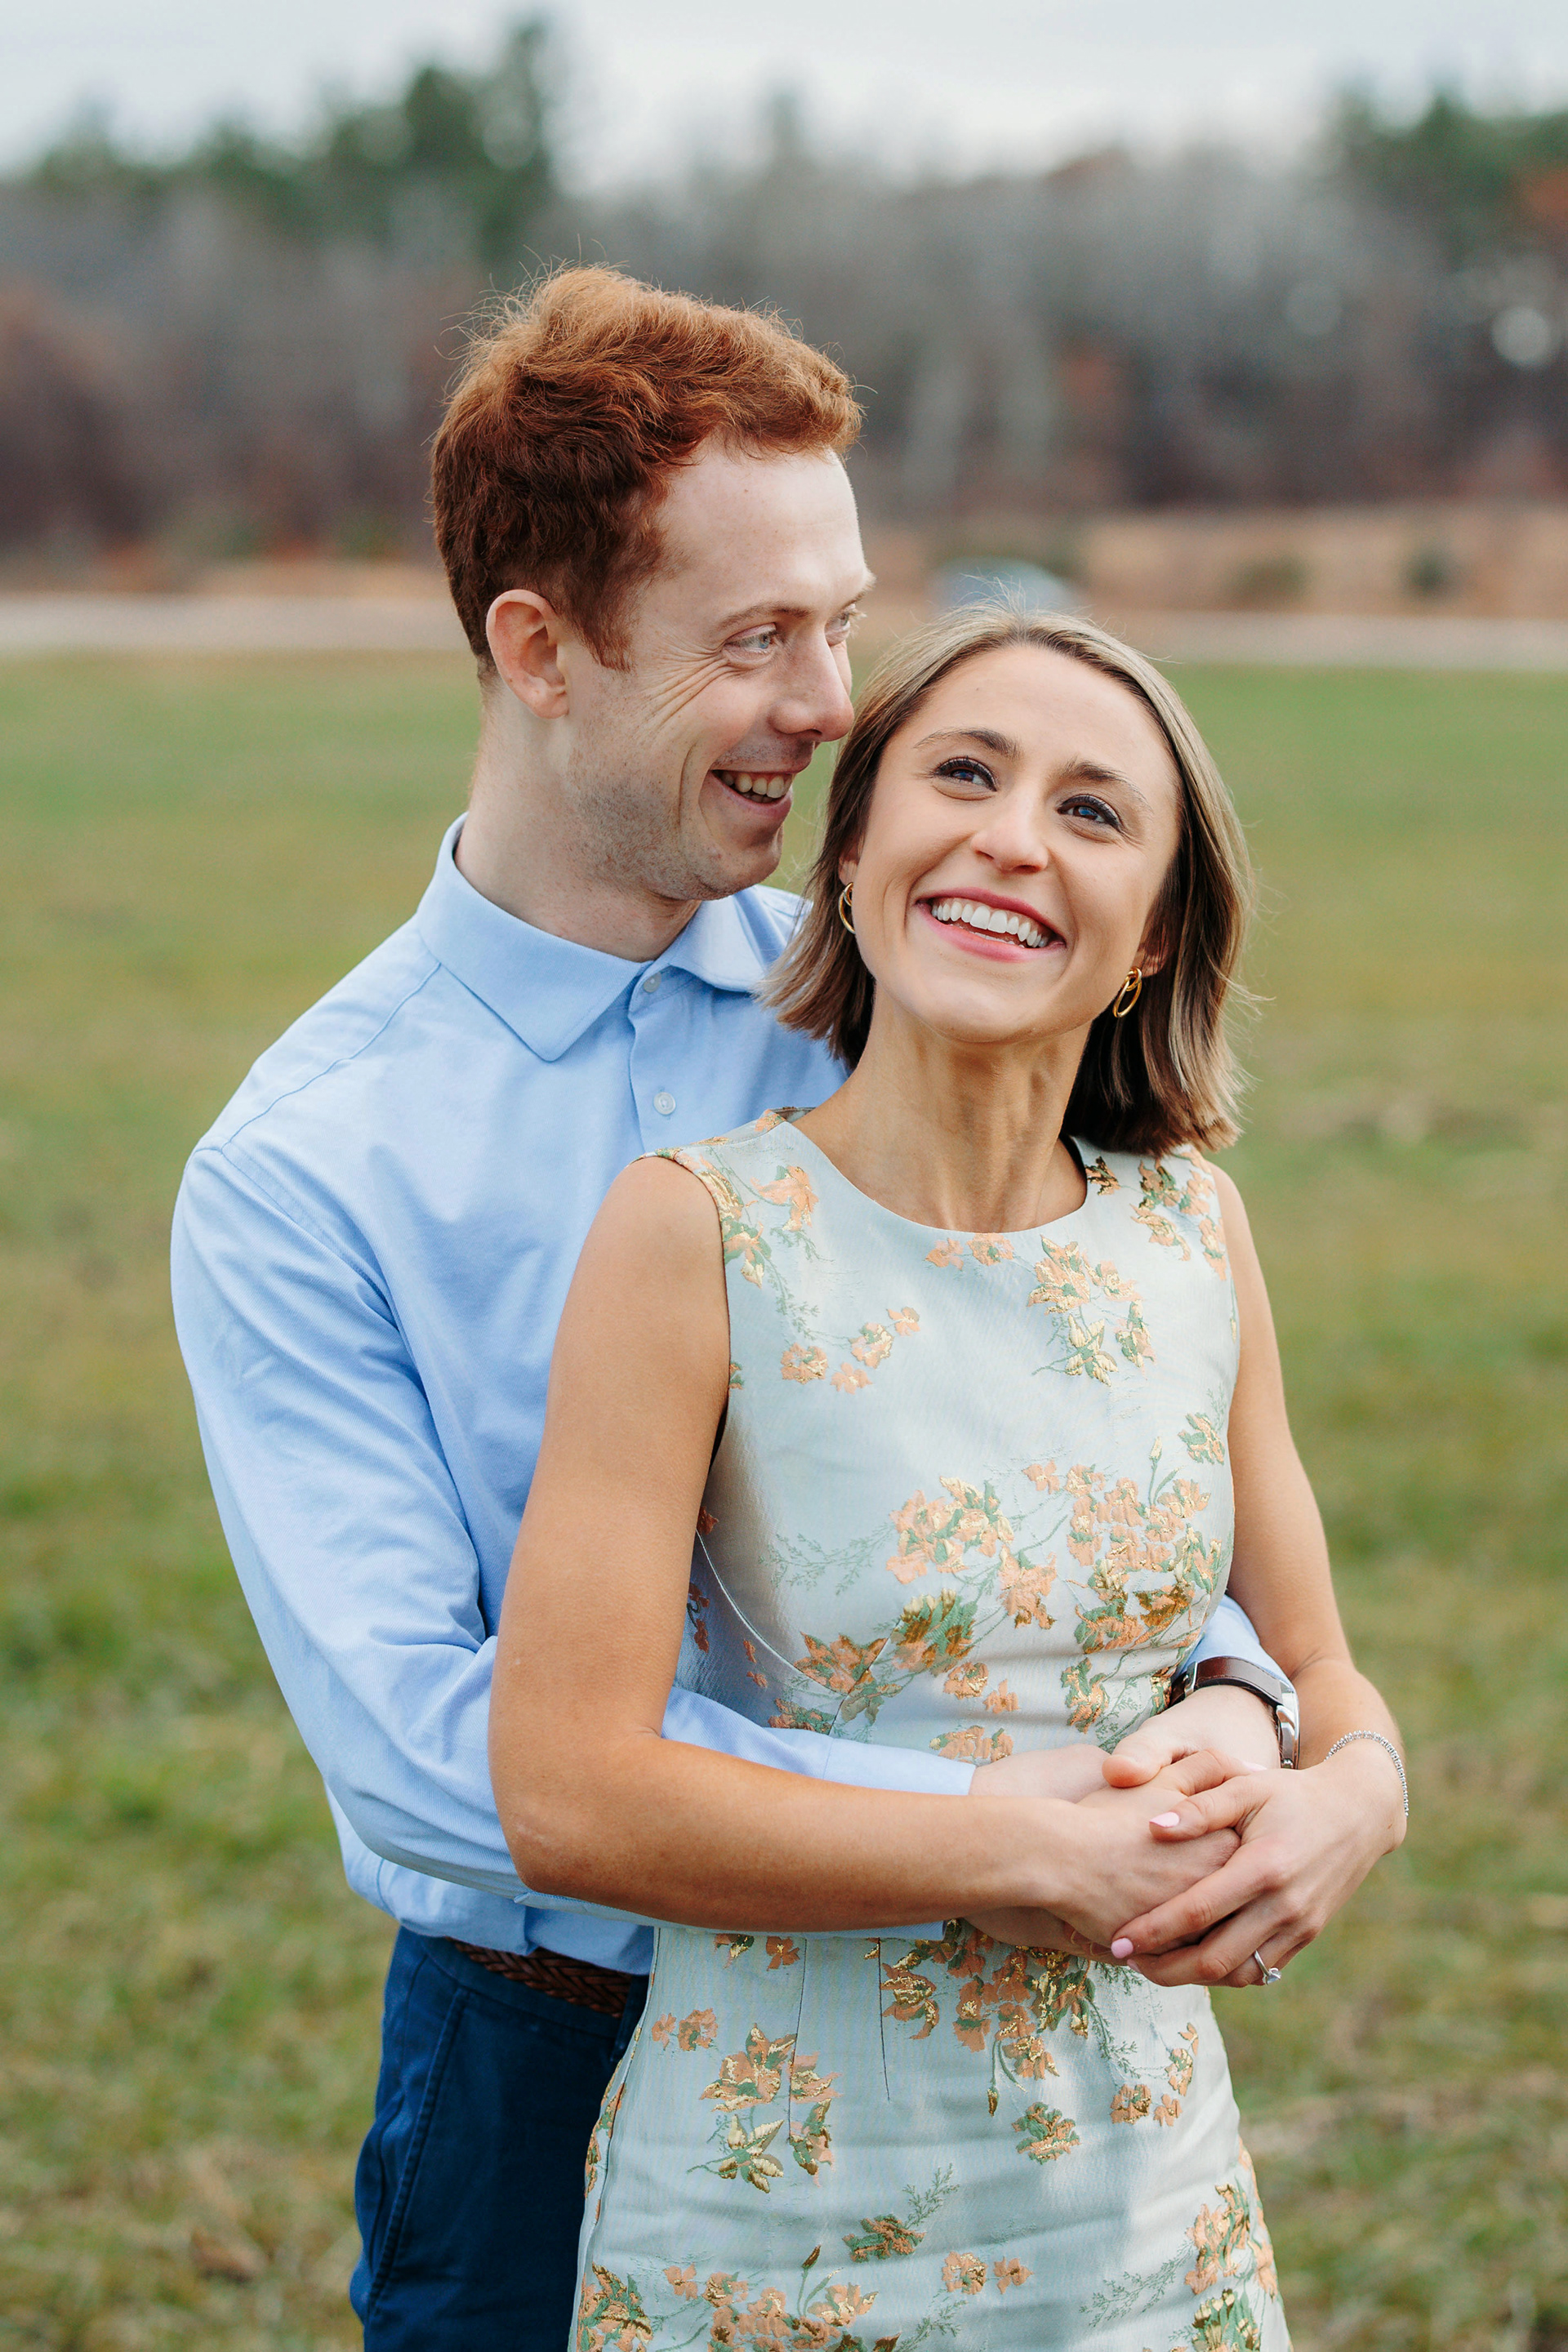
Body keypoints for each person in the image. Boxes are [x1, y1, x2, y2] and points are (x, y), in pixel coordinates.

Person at [171, 269, 1294, 2352]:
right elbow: (435, 1756)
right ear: (542, 649)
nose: (832, 700)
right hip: (546, 2038)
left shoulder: (902, 996)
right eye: (756, 638)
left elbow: (1109, 1431)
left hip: (983, 2029)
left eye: (846, 621)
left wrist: (1244, 1714)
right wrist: (987, 1831)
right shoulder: (304, 1170)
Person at [489, 605, 1410, 2350]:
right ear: (854, 862)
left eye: (1091, 810)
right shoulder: (698, 1231)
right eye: (964, 774)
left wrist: (1352, 1799)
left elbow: (1324, 1672)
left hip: (1147, 2208)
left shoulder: (1196, 1237)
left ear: (1148, 938)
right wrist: (991, 1851)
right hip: (782, 2213)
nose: (1011, 836)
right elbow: (567, 1792)